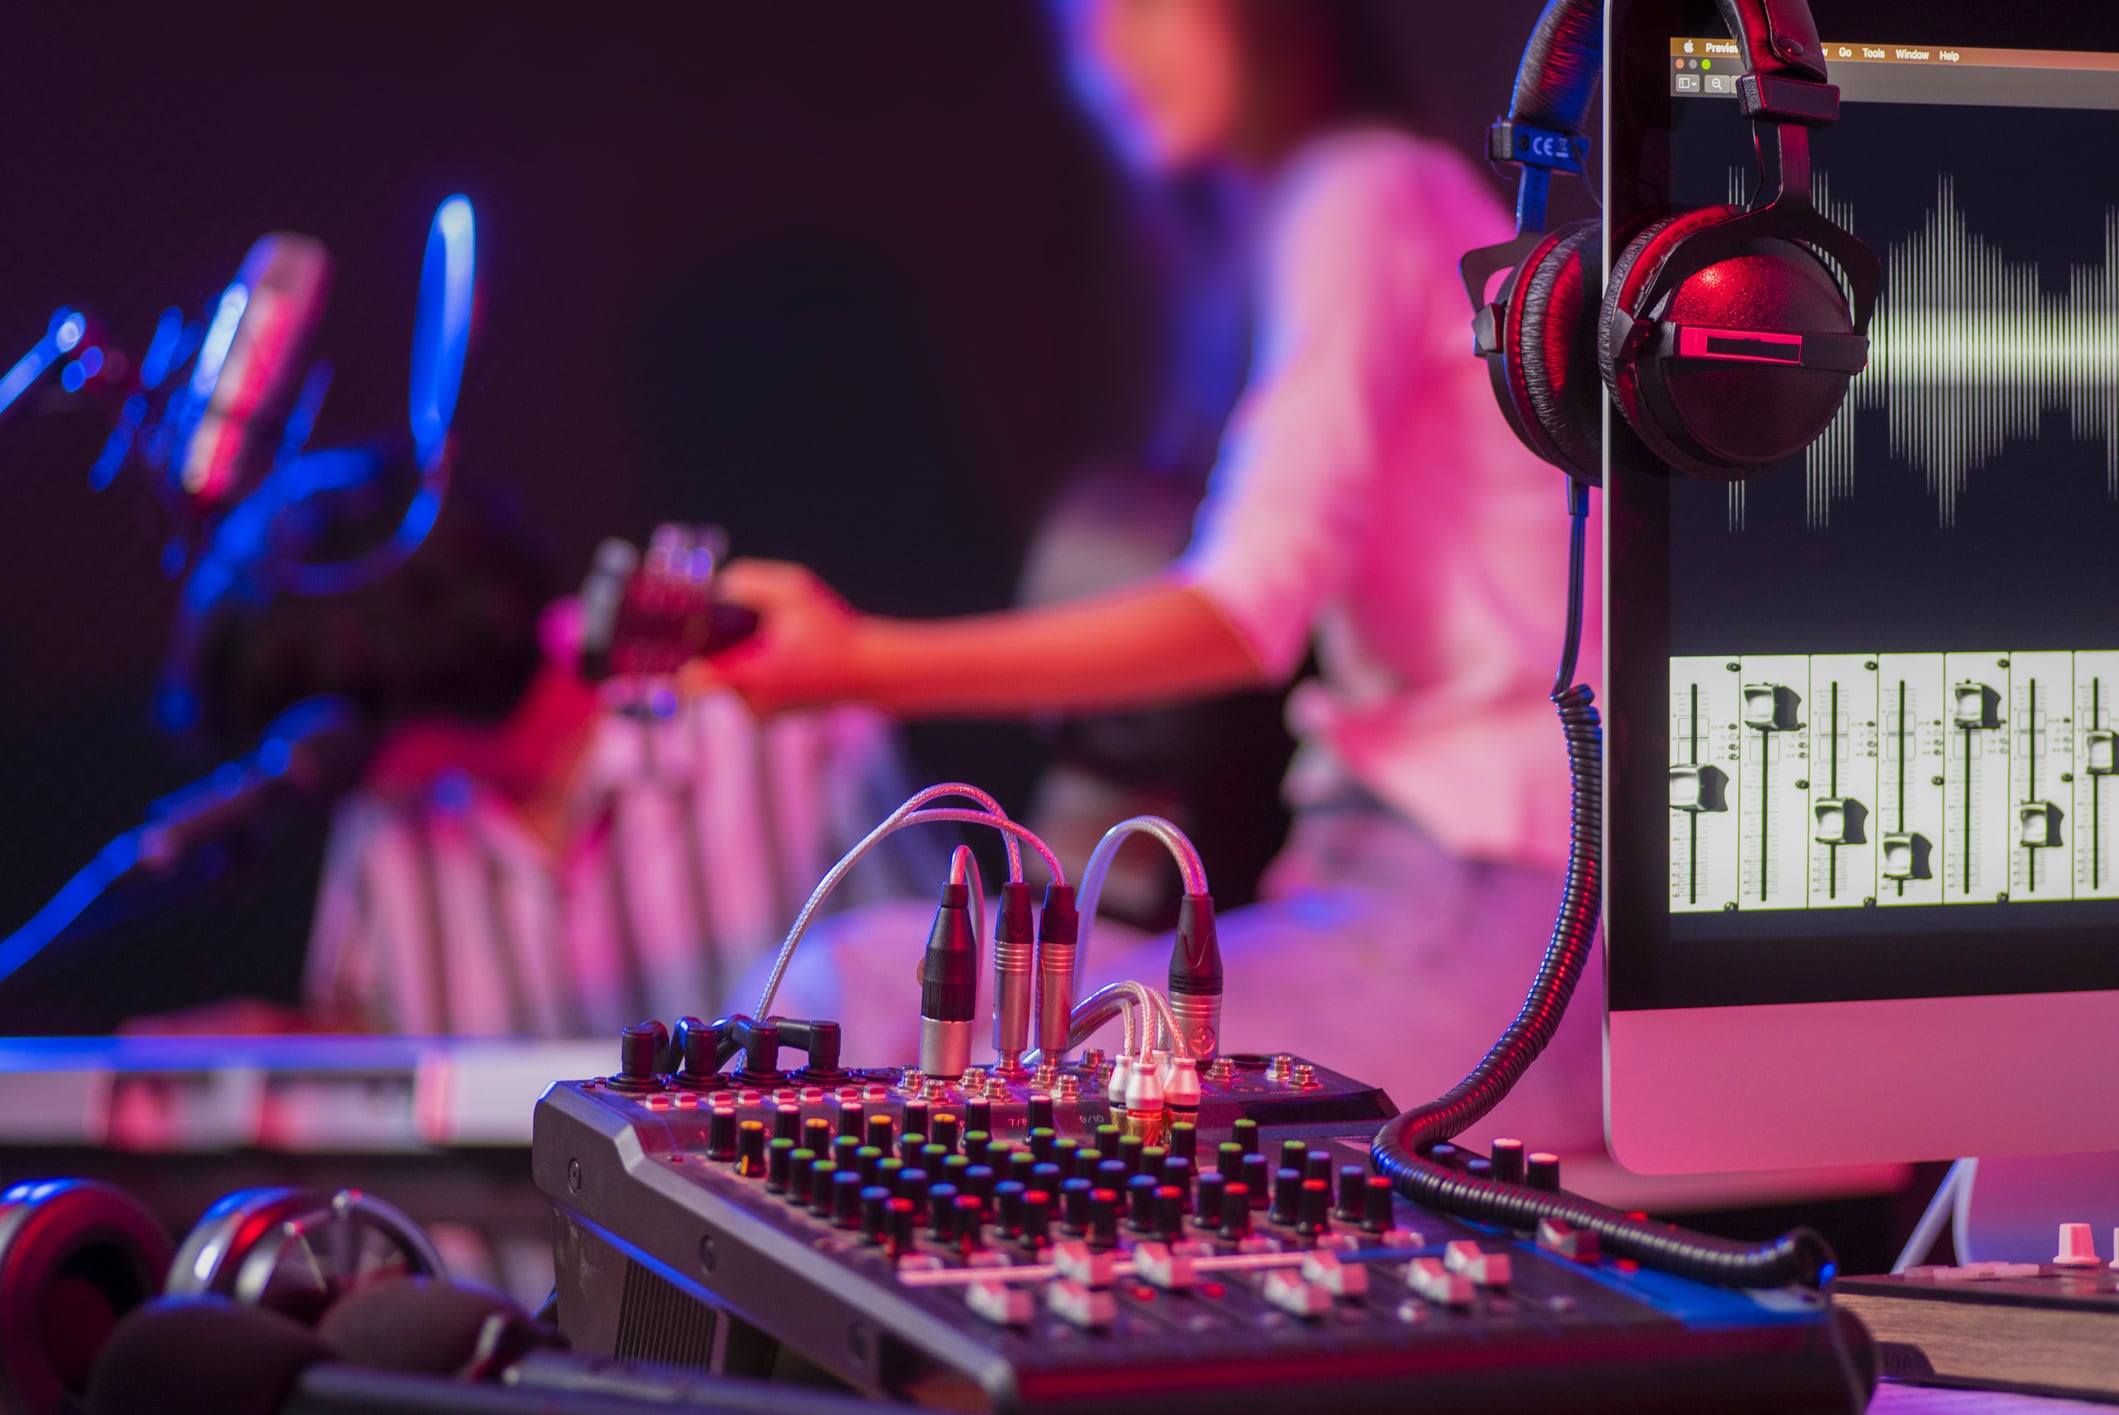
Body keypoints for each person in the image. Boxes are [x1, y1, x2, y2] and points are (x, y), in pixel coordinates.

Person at [702, 0, 1606, 1148]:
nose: (1103, 56)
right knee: (864, 982)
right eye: (1074, 27)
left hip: (1485, 927)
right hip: (1405, 899)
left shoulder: (1363, 191)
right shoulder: (1313, 218)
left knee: (856, 993)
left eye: (1133, 5)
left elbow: (1243, 611)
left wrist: (857, 663)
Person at [177, 451, 938, 1037]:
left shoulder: (781, 733)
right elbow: (376, 1068)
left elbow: (934, 1016)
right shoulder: (384, 835)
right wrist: (274, 1055)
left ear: (390, 713)